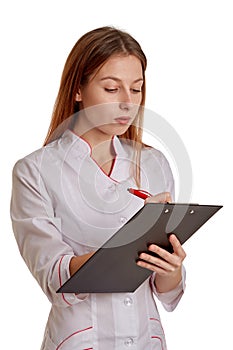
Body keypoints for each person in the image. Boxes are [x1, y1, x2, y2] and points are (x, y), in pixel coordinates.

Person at [11, 26, 186, 350]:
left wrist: (171, 268)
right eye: (111, 88)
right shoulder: (34, 172)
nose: (126, 103)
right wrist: (129, 243)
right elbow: (54, 278)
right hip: (82, 339)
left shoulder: (153, 164)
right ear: (78, 90)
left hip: (147, 339)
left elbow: (168, 291)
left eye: (136, 89)